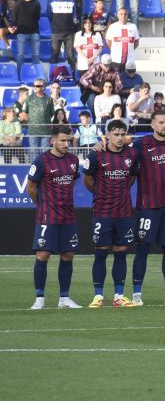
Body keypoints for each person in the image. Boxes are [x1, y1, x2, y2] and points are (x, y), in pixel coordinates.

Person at [83, 119, 140, 309]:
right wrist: (102, 194)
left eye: (122, 134)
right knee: (101, 252)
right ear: (107, 135)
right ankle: (98, 296)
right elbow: (88, 180)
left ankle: (119, 295)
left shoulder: (131, 154)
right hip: (103, 212)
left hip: (124, 212)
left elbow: (131, 177)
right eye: (115, 134)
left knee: (121, 252)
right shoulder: (96, 154)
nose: (119, 138)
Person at [27, 125, 83, 310]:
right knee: (43, 254)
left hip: (68, 215)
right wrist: (42, 205)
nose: (66, 144)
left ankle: (64, 298)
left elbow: (73, 182)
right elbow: (31, 187)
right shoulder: (41, 161)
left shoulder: (73, 160)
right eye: (62, 140)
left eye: (69, 140)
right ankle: (39, 299)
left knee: (67, 255)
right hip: (48, 215)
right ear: (53, 140)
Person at [47, 0, 78, 71]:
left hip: (69, 33)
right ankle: (53, 76)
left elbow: (74, 16)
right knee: (54, 54)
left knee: (71, 56)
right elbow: (49, 15)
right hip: (56, 32)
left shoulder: (72, 1)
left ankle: (73, 75)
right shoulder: (51, 1)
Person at [105, 6, 140, 72]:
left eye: (125, 14)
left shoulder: (133, 26)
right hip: (116, 59)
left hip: (129, 59)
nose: (123, 16)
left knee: (128, 80)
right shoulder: (113, 26)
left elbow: (137, 42)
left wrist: (130, 49)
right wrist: (112, 49)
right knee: (117, 79)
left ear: (128, 15)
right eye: (121, 14)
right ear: (118, 15)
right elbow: (107, 40)